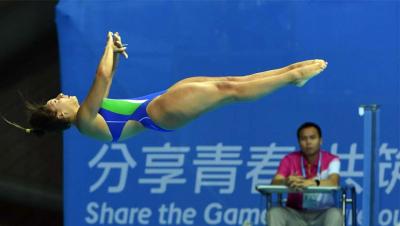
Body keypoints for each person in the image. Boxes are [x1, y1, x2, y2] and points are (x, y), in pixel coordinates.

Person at [4, 32, 328, 142]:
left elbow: (109, 78)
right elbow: (101, 79)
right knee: (230, 91)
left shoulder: (88, 115)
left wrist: (115, 55)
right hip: (157, 113)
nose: (61, 95)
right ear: (59, 115)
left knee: (232, 83)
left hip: (155, 102)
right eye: (56, 100)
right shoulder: (83, 122)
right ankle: (291, 77)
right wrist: (106, 44)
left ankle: (292, 71)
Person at [267, 122, 342, 226]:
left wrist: (310, 182)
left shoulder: (332, 160)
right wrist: (286, 181)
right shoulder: (289, 159)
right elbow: (275, 182)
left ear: (320, 140)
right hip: (295, 214)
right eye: (304, 139)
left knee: (335, 214)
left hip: (322, 213)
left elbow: (334, 182)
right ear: (299, 142)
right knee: (275, 213)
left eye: (312, 138)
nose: (308, 142)